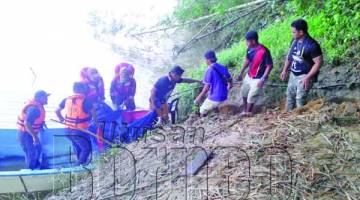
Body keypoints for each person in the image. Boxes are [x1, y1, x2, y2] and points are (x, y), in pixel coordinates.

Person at [280, 19, 323, 112]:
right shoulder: (294, 41)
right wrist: (284, 70)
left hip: (305, 75)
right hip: (293, 74)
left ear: (301, 32)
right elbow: (289, 56)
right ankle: (288, 115)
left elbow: (318, 62)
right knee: (289, 96)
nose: (292, 33)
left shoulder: (312, 45)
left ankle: (300, 119)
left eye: (293, 32)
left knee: (300, 99)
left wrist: (308, 77)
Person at [55, 82, 95, 166]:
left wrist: (62, 119)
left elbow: (57, 111)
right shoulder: (85, 101)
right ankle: (78, 166)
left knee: (78, 147)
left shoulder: (66, 99)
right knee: (86, 148)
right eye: (84, 88)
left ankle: (82, 163)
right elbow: (94, 113)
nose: (85, 90)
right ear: (81, 89)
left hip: (67, 130)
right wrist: (96, 122)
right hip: (79, 131)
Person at [237, 31, 273, 117]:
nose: (246, 43)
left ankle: (248, 112)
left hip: (259, 78)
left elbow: (269, 66)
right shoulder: (249, 49)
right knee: (244, 92)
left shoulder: (264, 51)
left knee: (252, 95)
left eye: (247, 41)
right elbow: (247, 60)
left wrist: (263, 79)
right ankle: (245, 109)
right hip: (249, 76)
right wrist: (241, 72)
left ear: (253, 41)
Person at [17, 90, 50, 169]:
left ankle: (36, 166)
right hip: (26, 134)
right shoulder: (34, 109)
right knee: (32, 153)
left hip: (29, 133)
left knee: (38, 149)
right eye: (45, 97)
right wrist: (35, 137)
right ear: (40, 98)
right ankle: (30, 171)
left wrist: (42, 123)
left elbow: (35, 119)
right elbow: (27, 124)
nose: (47, 99)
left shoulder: (38, 105)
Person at [195, 50, 233, 116]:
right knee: (209, 99)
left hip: (216, 97)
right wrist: (230, 84)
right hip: (224, 95)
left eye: (205, 59)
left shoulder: (209, 70)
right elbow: (229, 78)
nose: (205, 61)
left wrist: (199, 97)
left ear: (208, 60)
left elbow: (206, 87)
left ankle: (203, 122)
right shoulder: (222, 67)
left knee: (202, 110)